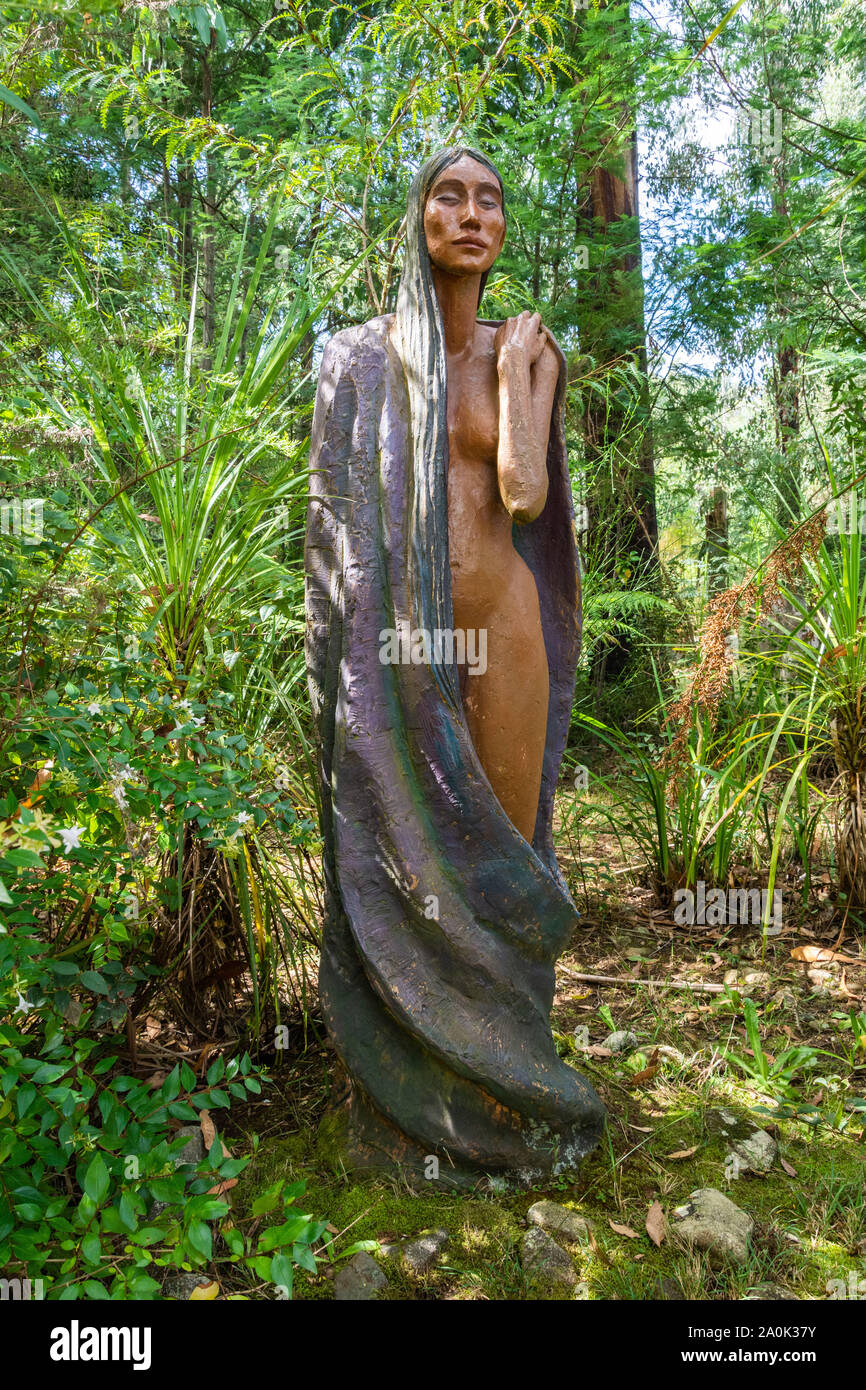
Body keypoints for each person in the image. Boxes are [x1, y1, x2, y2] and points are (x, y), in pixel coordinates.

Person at [305, 146, 603, 1187]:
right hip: (407, 643)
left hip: (503, 624)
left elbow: (522, 493)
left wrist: (520, 369)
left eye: (487, 199)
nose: (469, 214)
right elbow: (334, 534)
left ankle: (505, 1084)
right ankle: (412, 1095)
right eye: (448, 196)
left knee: (501, 857)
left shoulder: (529, 349)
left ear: (502, 228)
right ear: (417, 217)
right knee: (406, 835)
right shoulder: (355, 356)